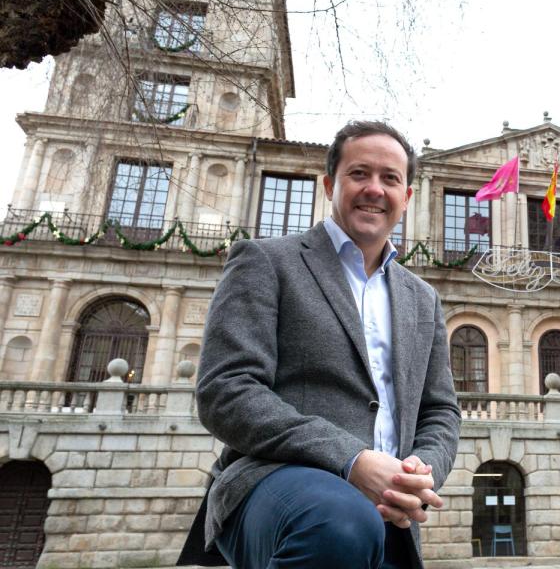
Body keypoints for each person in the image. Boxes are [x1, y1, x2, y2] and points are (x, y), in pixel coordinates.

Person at [177, 121, 462, 569]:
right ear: (330, 184)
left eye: (390, 178)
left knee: (356, 526)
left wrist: (419, 474)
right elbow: (226, 391)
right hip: (280, 487)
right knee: (341, 523)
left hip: (392, 514)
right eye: (359, 174)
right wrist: (350, 459)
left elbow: (441, 410)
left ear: (407, 197)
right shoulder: (267, 261)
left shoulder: (422, 298)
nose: (374, 189)